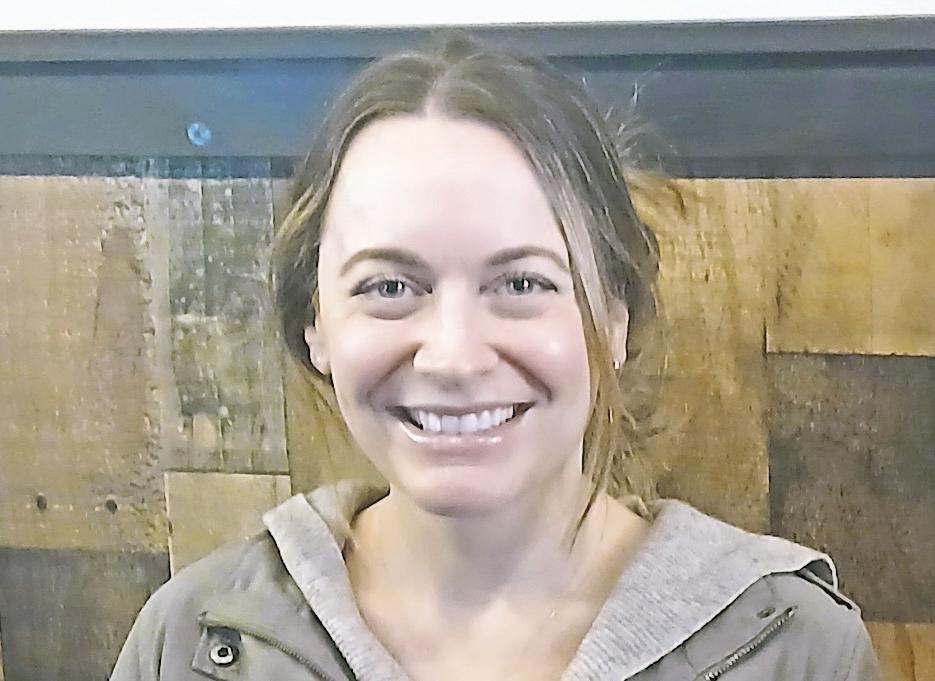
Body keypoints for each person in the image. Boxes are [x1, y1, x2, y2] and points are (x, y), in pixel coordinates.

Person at [110, 32, 881, 681]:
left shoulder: (797, 650)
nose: (452, 356)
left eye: (521, 283)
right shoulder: (186, 643)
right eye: (388, 286)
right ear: (315, 322)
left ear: (612, 316)